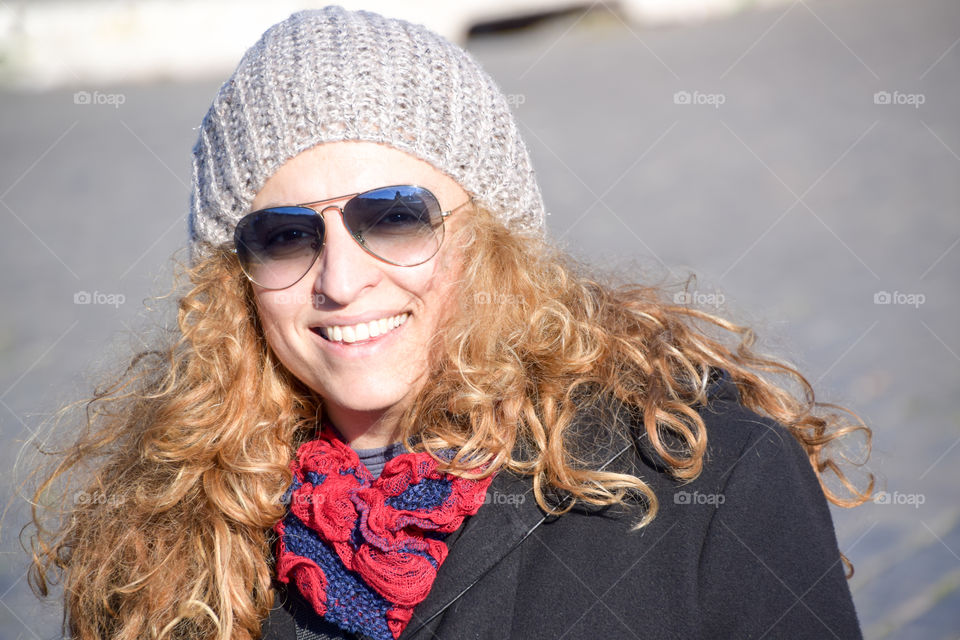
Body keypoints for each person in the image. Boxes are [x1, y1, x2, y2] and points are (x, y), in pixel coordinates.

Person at [24, 6, 874, 640]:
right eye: (285, 236)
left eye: (393, 217)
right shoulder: (166, 543)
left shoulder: (708, 483)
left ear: (492, 235)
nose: (343, 280)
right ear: (236, 281)